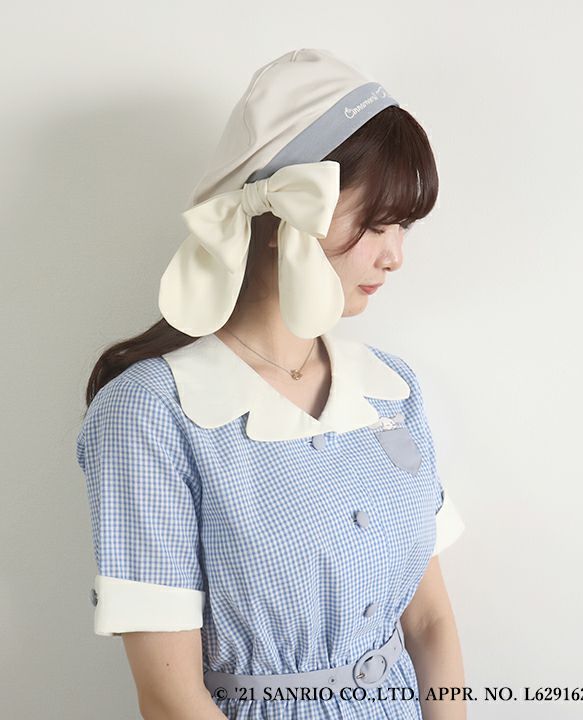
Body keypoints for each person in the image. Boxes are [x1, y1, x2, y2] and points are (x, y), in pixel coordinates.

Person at [76, 48, 467, 719]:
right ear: (285, 211)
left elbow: (430, 621)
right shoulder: (151, 413)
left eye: (403, 226)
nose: (395, 256)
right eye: (377, 224)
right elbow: (169, 697)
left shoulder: (391, 388)